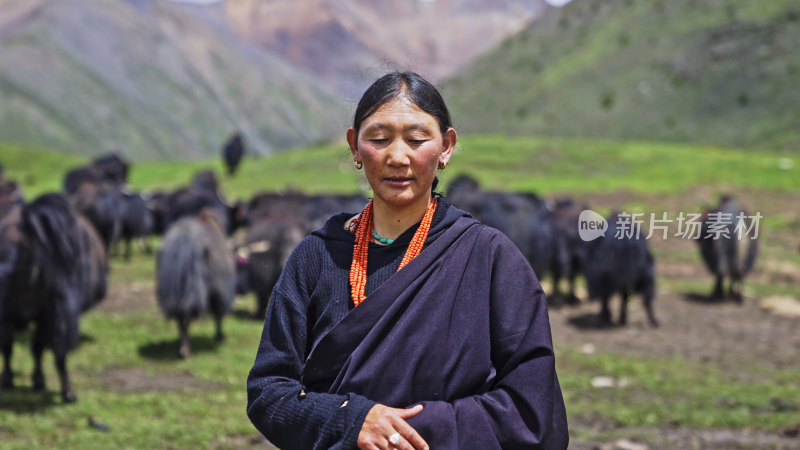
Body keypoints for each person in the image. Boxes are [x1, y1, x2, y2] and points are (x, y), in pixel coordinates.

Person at [246, 71, 569, 450]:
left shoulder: (492, 260)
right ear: (354, 146)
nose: (397, 157)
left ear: (446, 146)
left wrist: (407, 430)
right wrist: (352, 421)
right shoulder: (316, 257)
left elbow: (531, 409)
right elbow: (269, 392)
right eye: (379, 139)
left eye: (417, 139)